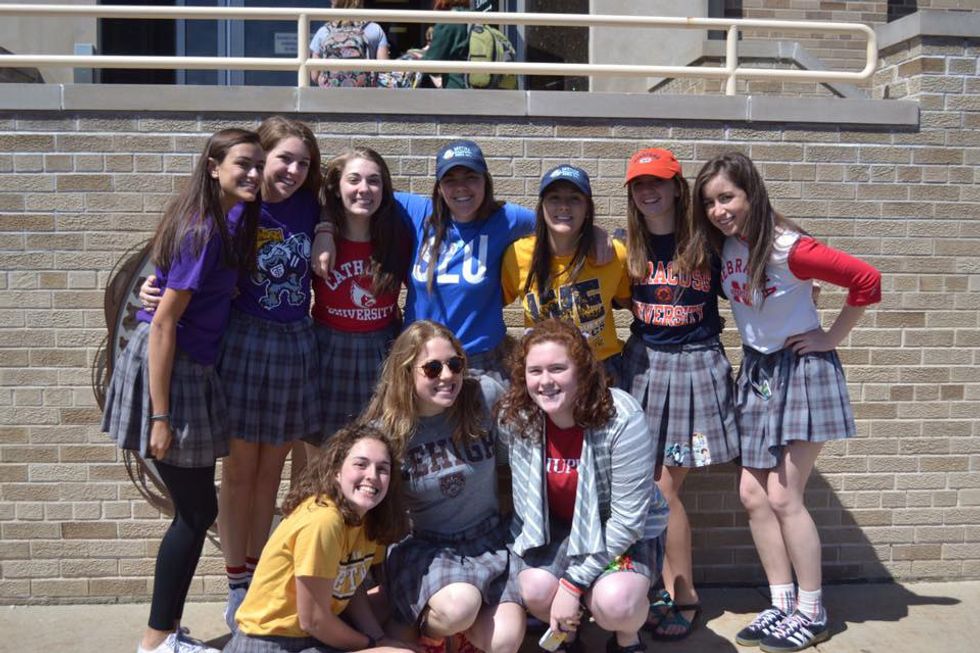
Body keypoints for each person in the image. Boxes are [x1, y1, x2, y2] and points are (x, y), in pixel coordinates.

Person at [689, 151, 881, 652]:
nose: (718, 210)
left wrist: (830, 336)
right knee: (752, 495)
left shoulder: (789, 248)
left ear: (751, 193)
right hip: (757, 371)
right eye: (709, 202)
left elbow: (867, 279)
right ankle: (782, 604)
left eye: (727, 197)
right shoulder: (727, 244)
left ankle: (812, 612)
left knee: (783, 496)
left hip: (800, 370)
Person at [139, 117, 324, 633]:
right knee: (240, 471)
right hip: (242, 340)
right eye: (282, 158)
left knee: (272, 473)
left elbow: (349, 203)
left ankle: (259, 577)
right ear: (259, 158)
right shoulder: (237, 207)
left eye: (303, 162)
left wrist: (328, 228)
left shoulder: (312, 207)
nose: (291, 170)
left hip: (293, 342)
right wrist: (151, 286)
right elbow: (175, 260)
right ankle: (236, 584)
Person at [102, 129, 265, 653]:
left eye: (259, 166)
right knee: (194, 513)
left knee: (194, 511)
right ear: (214, 166)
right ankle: (157, 639)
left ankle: (165, 634)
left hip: (188, 367)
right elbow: (164, 324)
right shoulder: (203, 230)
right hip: (172, 371)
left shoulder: (227, 217)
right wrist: (161, 416)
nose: (255, 175)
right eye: (244, 164)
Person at [617, 148, 740, 641]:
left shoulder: (707, 239)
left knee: (664, 490)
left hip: (694, 364)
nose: (649, 192)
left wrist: (803, 286)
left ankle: (683, 595)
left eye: (658, 182)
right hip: (643, 365)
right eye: (640, 185)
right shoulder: (625, 246)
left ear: (676, 187)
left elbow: (767, 247)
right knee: (645, 487)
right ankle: (657, 589)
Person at [496, 318, 670, 653]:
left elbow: (627, 522)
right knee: (534, 589)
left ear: (582, 371)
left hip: (615, 531)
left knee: (617, 602)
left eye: (558, 368)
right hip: (556, 529)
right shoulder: (518, 417)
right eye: (535, 371)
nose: (545, 381)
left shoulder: (621, 416)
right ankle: (567, 639)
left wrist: (572, 585)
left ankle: (627, 639)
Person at [359, 320, 524, 653]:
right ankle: (421, 625)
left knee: (505, 640)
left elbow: (515, 466)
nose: (447, 375)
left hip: (489, 539)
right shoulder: (387, 431)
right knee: (458, 608)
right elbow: (365, 506)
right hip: (427, 546)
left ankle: (454, 631)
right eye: (432, 368)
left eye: (455, 364)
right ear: (407, 372)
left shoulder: (484, 395)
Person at [225, 423, 415, 653]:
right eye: (361, 464)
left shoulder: (367, 517)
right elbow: (313, 619)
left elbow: (349, 587)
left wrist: (378, 637)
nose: (372, 476)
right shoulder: (323, 521)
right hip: (270, 642)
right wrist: (371, 645)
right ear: (336, 471)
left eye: (382, 469)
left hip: (309, 635)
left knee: (398, 608)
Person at [309, 147, 411, 448]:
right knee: (321, 446)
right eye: (354, 180)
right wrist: (324, 226)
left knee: (382, 441)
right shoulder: (318, 236)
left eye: (374, 181)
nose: (364, 189)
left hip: (381, 348)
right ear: (337, 188)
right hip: (327, 347)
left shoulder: (399, 236)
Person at [501, 164, 630, 380]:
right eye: (554, 198)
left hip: (600, 369)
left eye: (574, 199)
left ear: (587, 208)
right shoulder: (518, 255)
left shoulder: (613, 255)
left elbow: (633, 303)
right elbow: (490, 306)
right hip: (545, 372)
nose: (564, 206)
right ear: (542, 206)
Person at [310, 0, 390, 87]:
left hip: (331, 92)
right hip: (365, 92)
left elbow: (314, 76)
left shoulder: (324, 32)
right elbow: (383, 70)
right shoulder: (375, 29)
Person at [423, 0, 471, 90]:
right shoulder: (476, 17)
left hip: (456, 87)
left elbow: (431, 66)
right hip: (479, 87)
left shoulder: (448, 21)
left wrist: (419, 57)